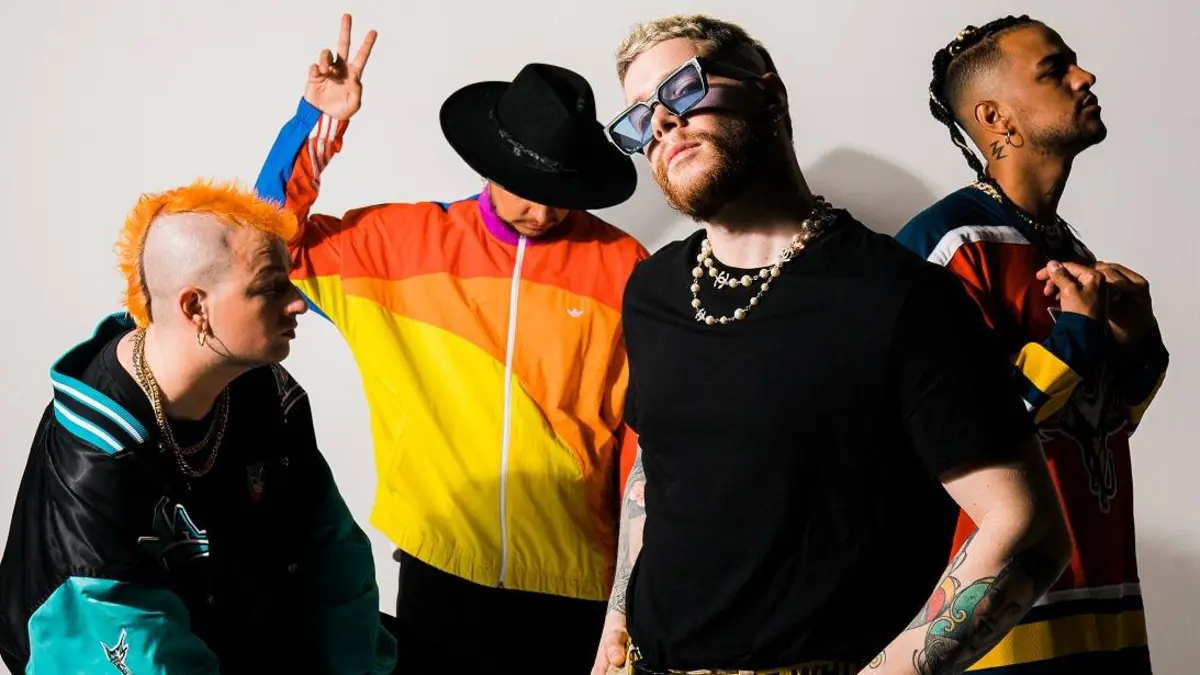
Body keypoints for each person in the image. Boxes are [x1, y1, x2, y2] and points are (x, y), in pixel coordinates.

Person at [591, 13, 1075, 675]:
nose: (662, 124)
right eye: (639, 119)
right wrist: (615, 625)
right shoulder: (653, 291)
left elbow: (1028, 531)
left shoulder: (900, 297)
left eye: (683, 88)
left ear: (769, 93)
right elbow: (658, 463)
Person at [253, 14, 648, 673]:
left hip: (577, 584)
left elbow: (645, 436)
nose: (544, 211)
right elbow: (268, 243)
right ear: (492, 162)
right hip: (440, 572)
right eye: (529, 188)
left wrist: (636, 586)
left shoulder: (624, 266)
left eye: (561, 192)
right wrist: (318, 125)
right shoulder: (398, 246)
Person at [0, 180, 397, 674]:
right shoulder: (96, 459)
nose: (297, 303)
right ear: (195, 307)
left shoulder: (268, 391)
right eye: (270, 287)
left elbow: (331, 550)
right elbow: (133, 649)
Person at [895, 15, 1169, 674]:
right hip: (1003, 628)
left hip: (1106, 608)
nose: (1085, 77)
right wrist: (1075, 334)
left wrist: (1138, 342)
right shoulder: (946, 247)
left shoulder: (1067, 248)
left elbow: (1097, 426)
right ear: (997, 118)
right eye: (1055, 69)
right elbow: (964, 432)